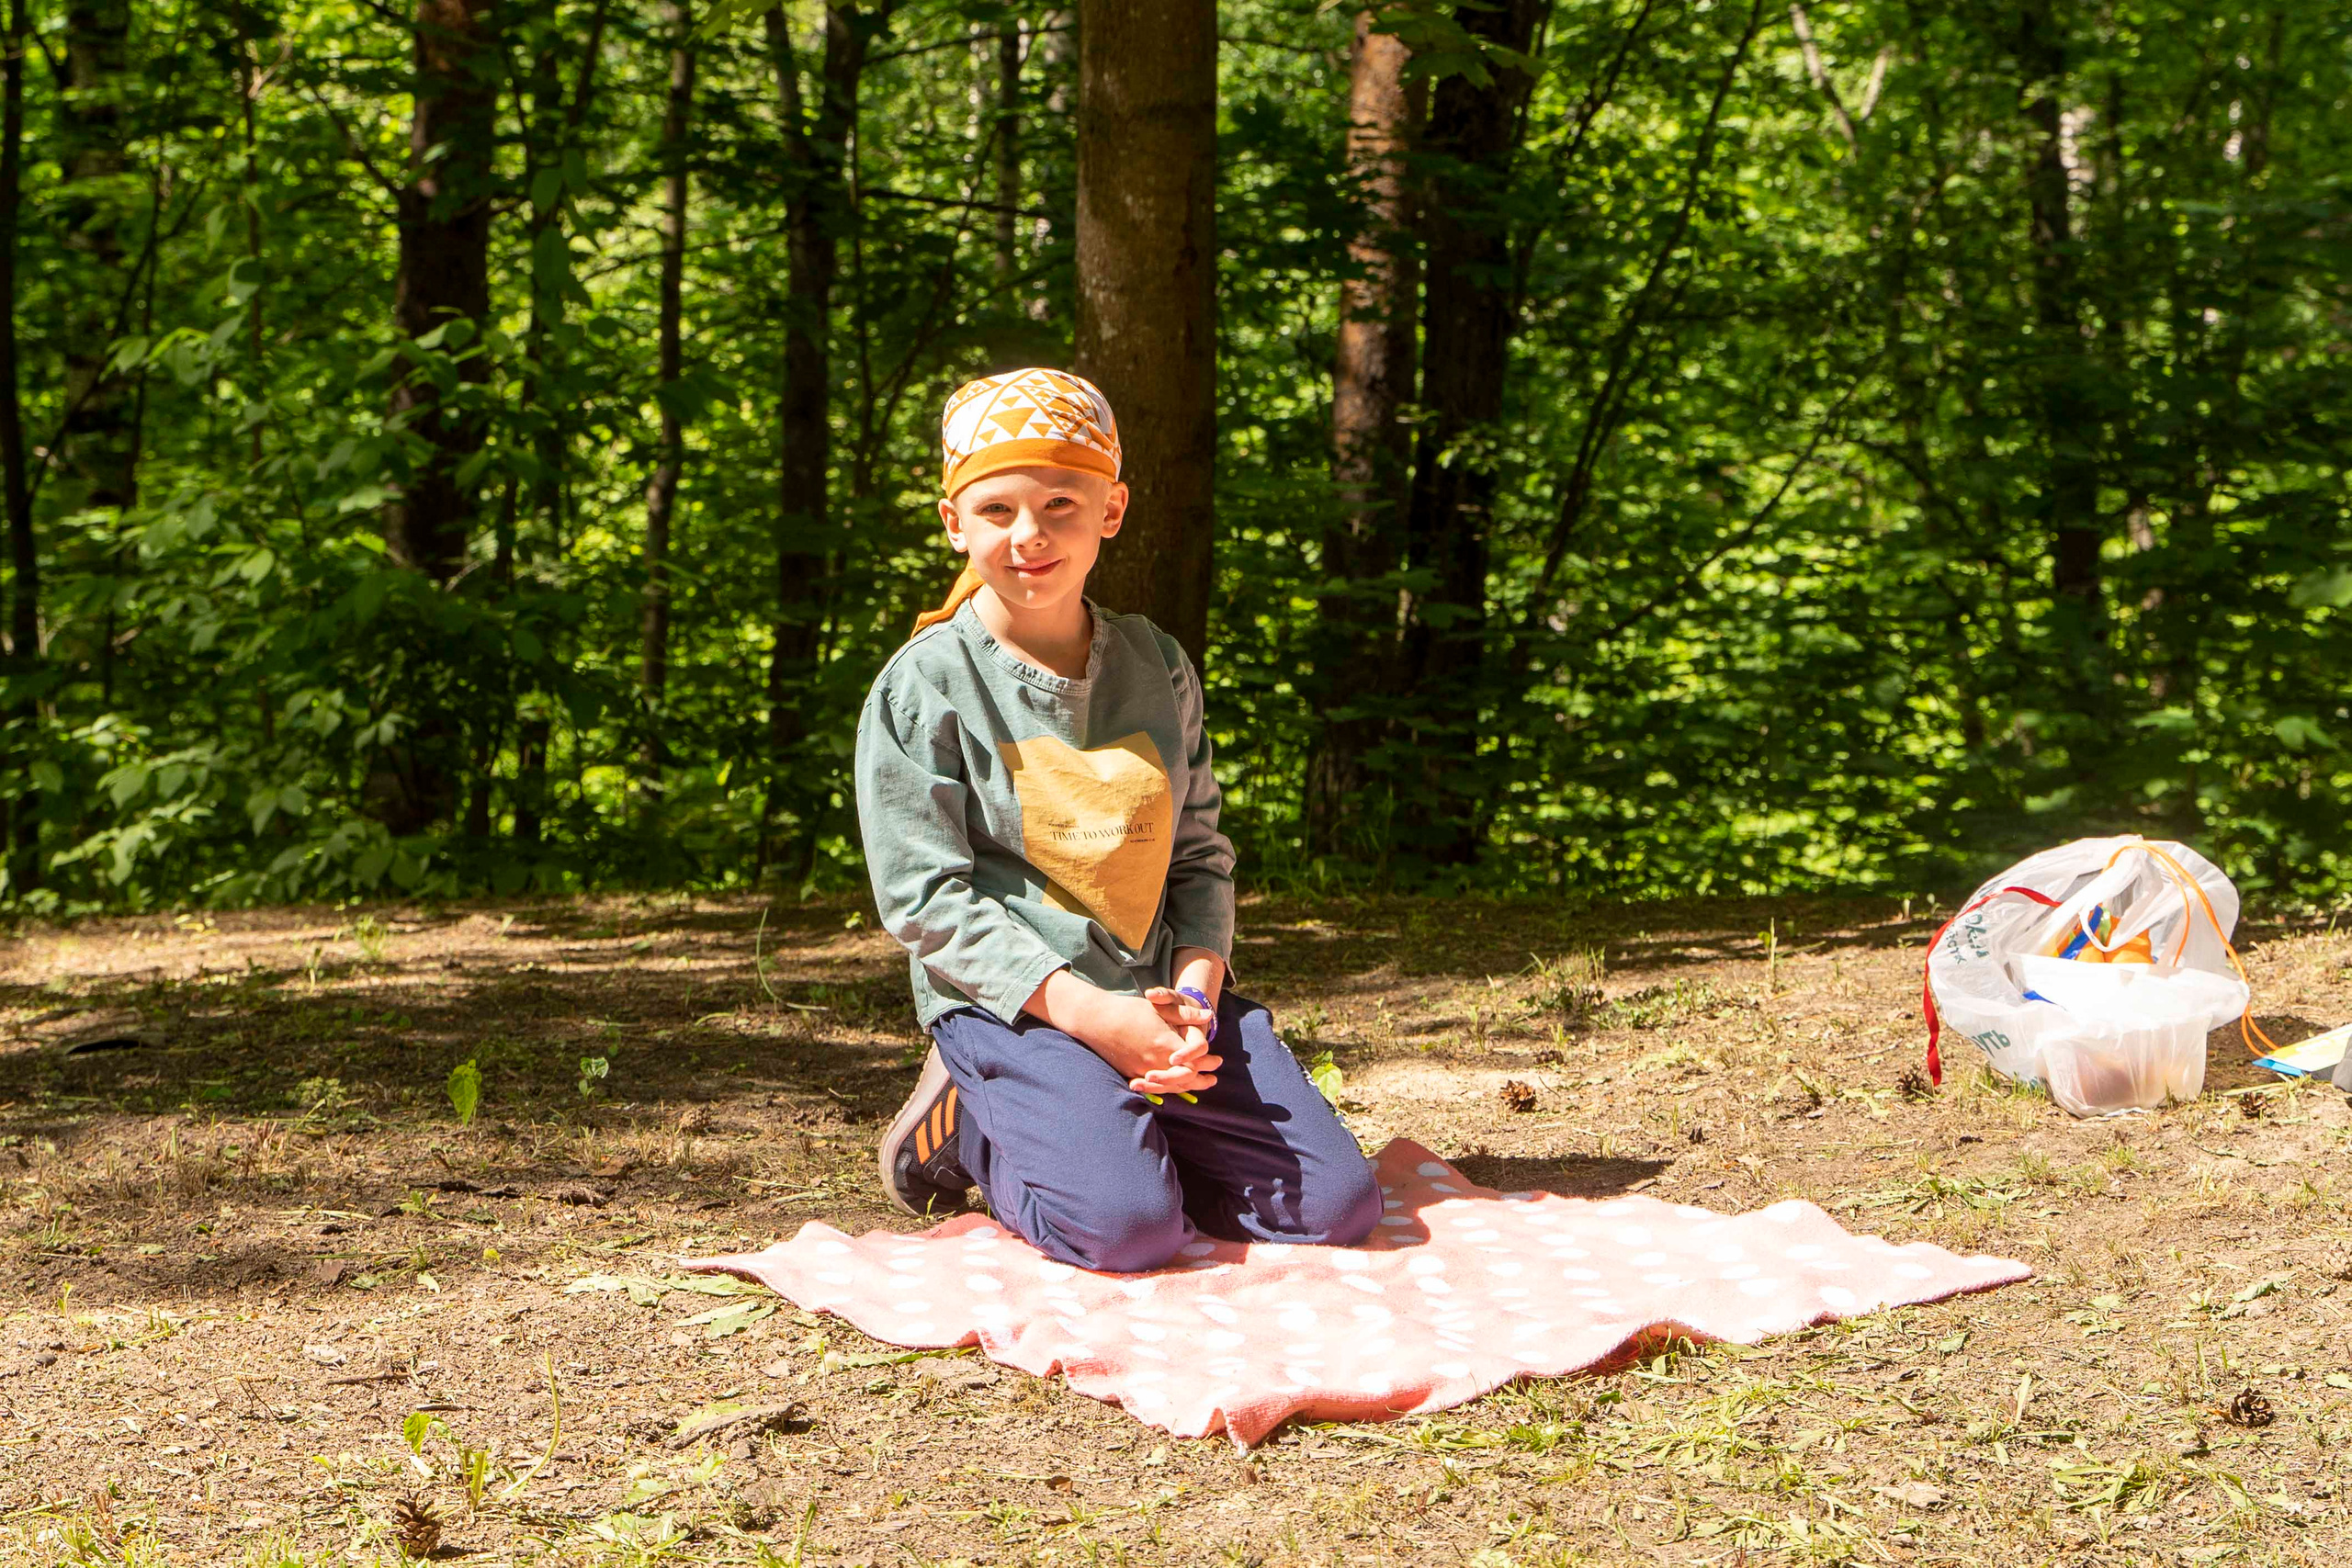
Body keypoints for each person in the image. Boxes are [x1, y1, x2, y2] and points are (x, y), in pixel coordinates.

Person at [855, 367, 1380, 1273]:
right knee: (1126, 1231)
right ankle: (974, 1131)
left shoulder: (1157, 664)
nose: (1030, 534)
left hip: (1159, 999)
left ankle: (1114, 1135)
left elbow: (1199, 855)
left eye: (1061, 500)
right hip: (1016, 1005)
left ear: (1112, 508)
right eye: (996, 510)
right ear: (954, 523)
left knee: (1335, 1206)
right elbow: (923, 898)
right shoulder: (925, 686)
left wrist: (1196, 1002)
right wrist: (1093, 1017)